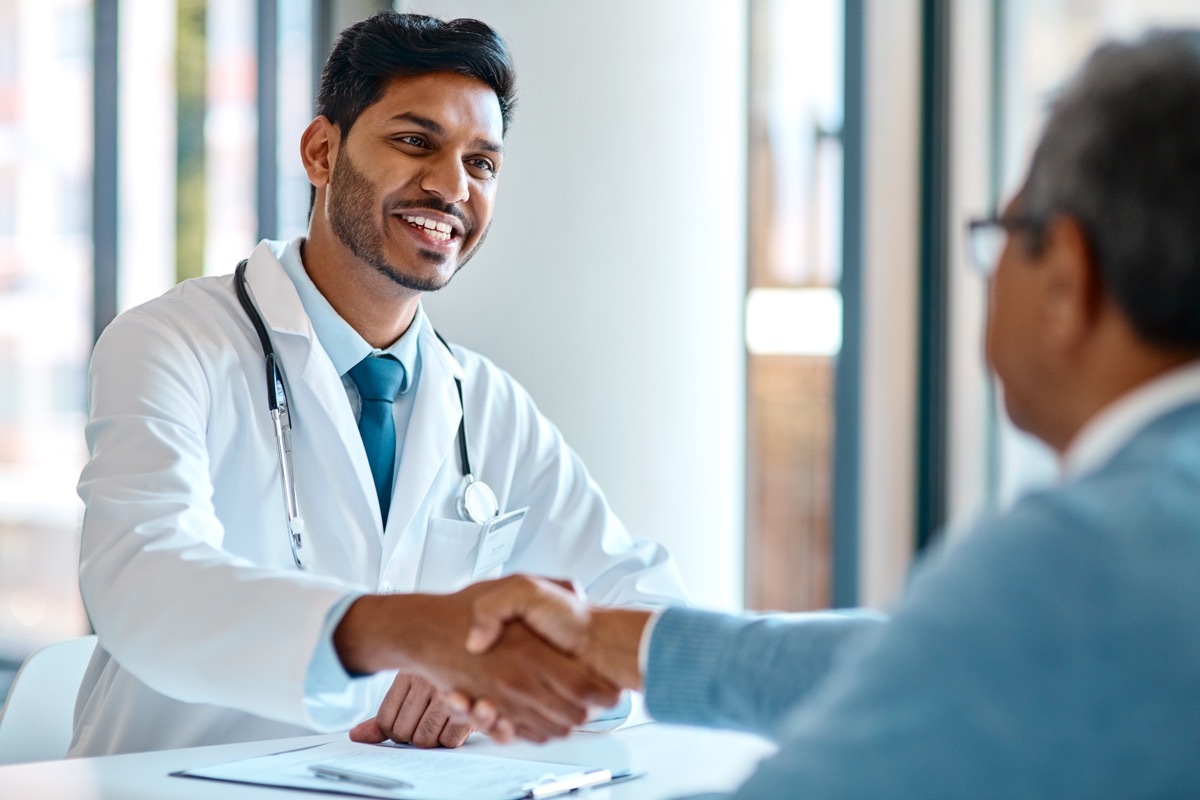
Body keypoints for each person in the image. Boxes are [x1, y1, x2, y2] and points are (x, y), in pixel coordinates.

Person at [451, 30, 1200, 798]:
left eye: (1002, 234)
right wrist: (618, 641)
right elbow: (930, 665)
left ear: (1067, 278)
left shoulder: (1079, 558)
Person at [71, 11, 686, 757]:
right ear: (321, 151)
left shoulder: (485, 404)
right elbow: (146, 585)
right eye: (415, 142)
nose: (451, 186)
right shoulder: (169, 345)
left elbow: (648, 608)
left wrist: (486, 676)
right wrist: (421, 637)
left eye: (482, 163)